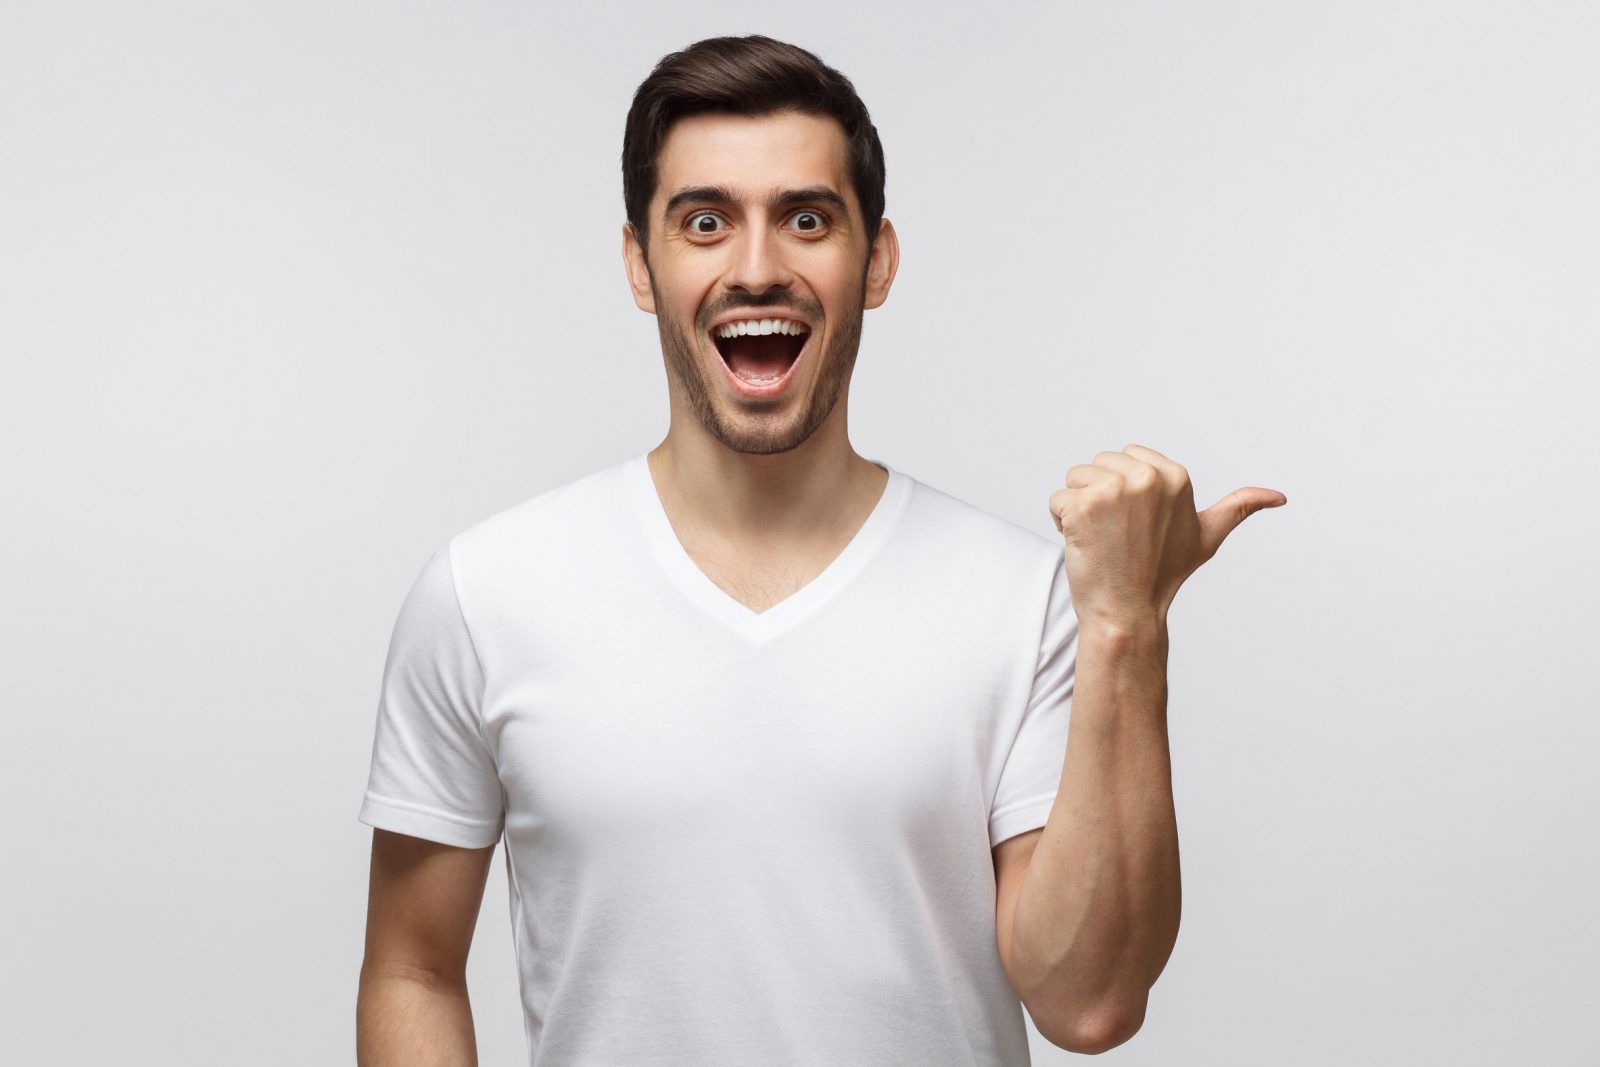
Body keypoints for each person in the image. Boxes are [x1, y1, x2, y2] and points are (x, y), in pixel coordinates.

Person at [355, 32, 1286, 1066]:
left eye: (806, 219)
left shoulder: (1022, 601)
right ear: (639, 264)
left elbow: (1089, 1002)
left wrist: (1127, 624)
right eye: (703, 221)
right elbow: (413, 967)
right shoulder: (486, 594)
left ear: (875, 259)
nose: (757, 267)